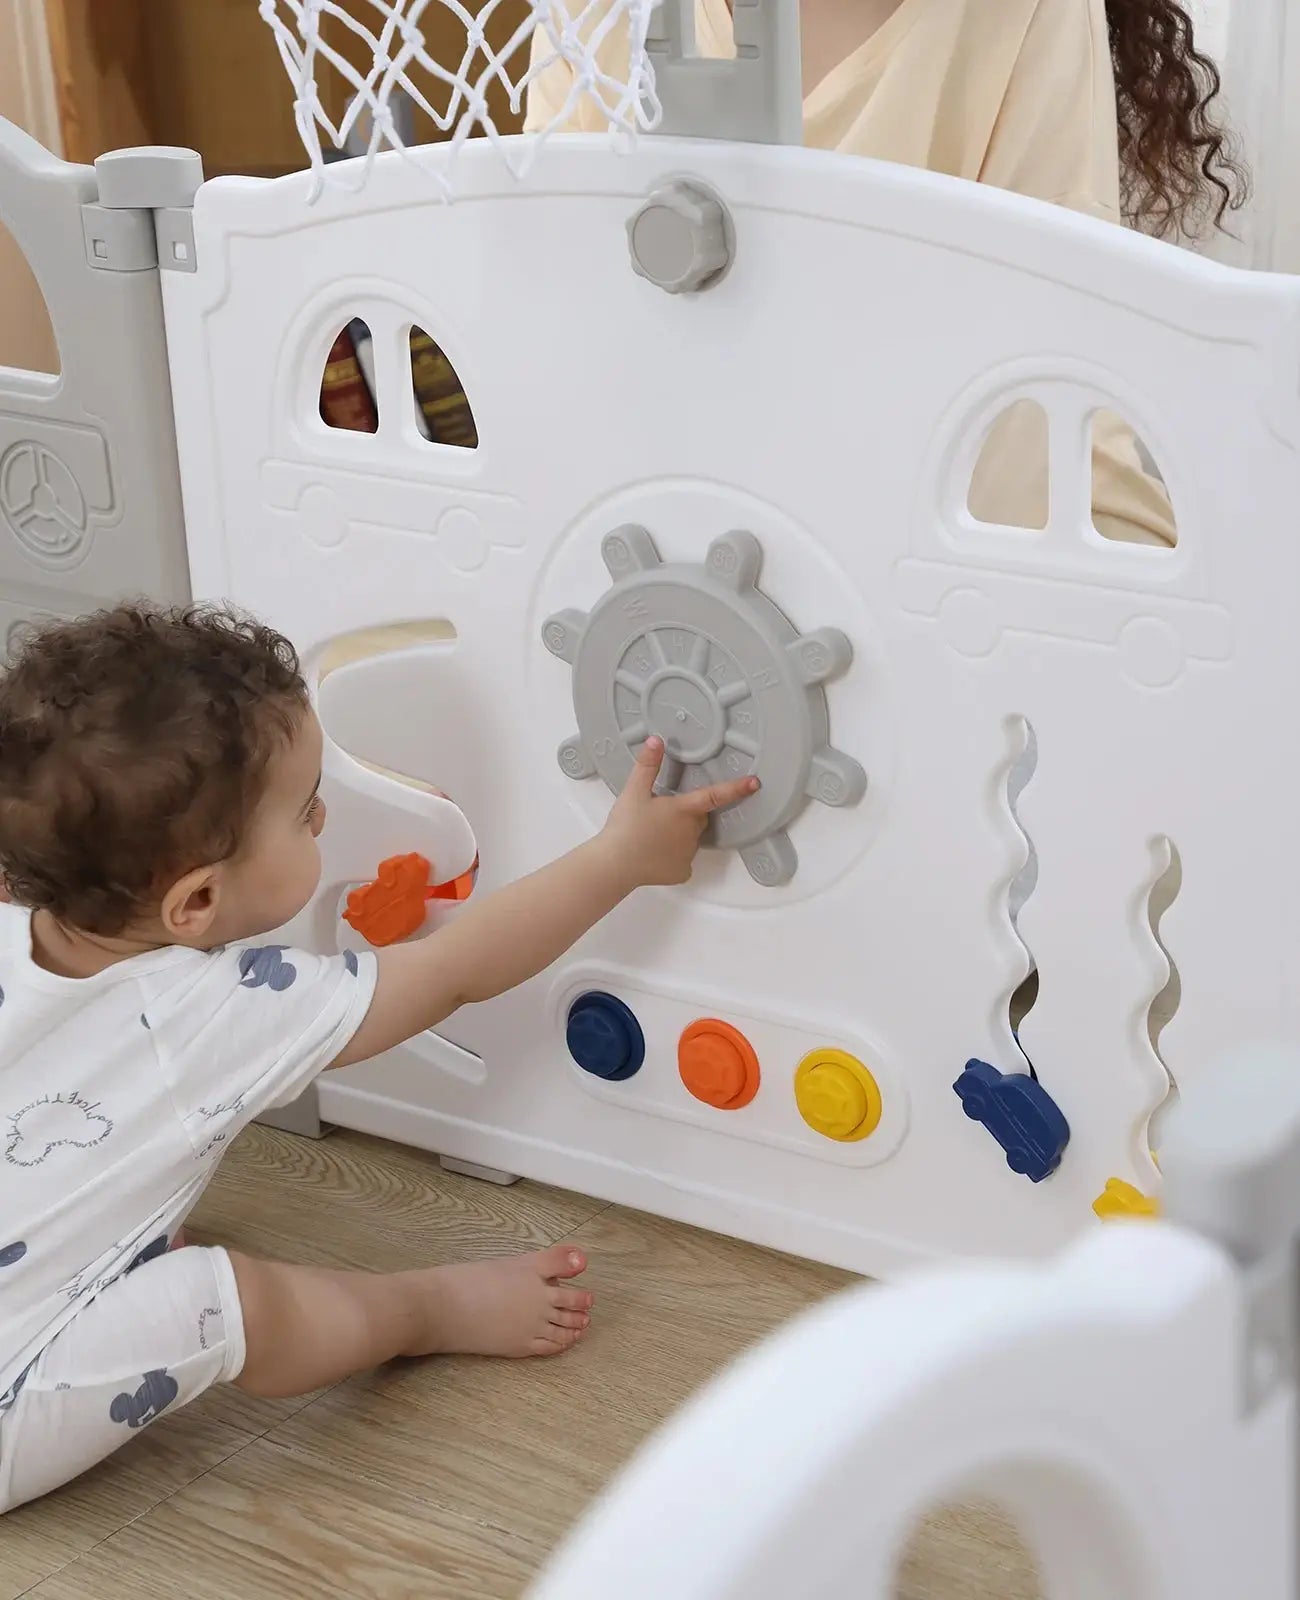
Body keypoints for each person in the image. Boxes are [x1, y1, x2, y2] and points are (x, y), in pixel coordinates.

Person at [0, 604, 757, 1515]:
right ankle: (423, 1312)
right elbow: (450, 971)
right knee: (222, 1296)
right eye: (304, 810)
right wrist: (619, 858)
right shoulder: (206, 1013)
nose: (325, 815)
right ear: (196, 903)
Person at [526, 0, 1247, 543]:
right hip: (685, 543)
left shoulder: (1023, 15)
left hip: (1014, 544)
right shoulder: (597, 18)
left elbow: (1021, 440)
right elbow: (566, 349)